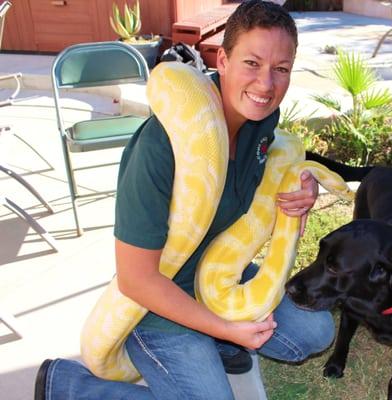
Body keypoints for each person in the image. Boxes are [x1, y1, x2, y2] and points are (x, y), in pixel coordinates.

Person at [34, 1, 335, 399]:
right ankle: (68, 386)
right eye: (252, 63)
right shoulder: (161, 146)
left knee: (316, 331)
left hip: (218, 276)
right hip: (156, 305)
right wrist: (227, 326)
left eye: (281, 69)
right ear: (223, 60)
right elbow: (136, 279)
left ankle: (219, 344)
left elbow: (278, 163)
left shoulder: (262, 124)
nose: (266, 84)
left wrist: (302, 184)